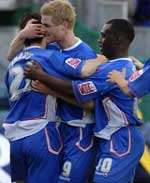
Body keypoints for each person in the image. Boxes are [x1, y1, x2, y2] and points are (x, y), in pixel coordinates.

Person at [24, 18, 145, 183]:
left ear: (118, 40)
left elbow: (77, 89)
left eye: (104, 35)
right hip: (112, 137)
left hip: (122, 138)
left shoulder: (114, 69)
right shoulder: (119, 65)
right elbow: (90, 100)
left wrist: (41, 76)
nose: (99, 39)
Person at [4, 12, 104, 183]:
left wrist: (21, 35)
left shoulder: (13, 62)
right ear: (42, 33)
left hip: (14, 137)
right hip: (40, 132)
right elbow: (84, 70)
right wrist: (107, 59)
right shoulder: (51, 56)